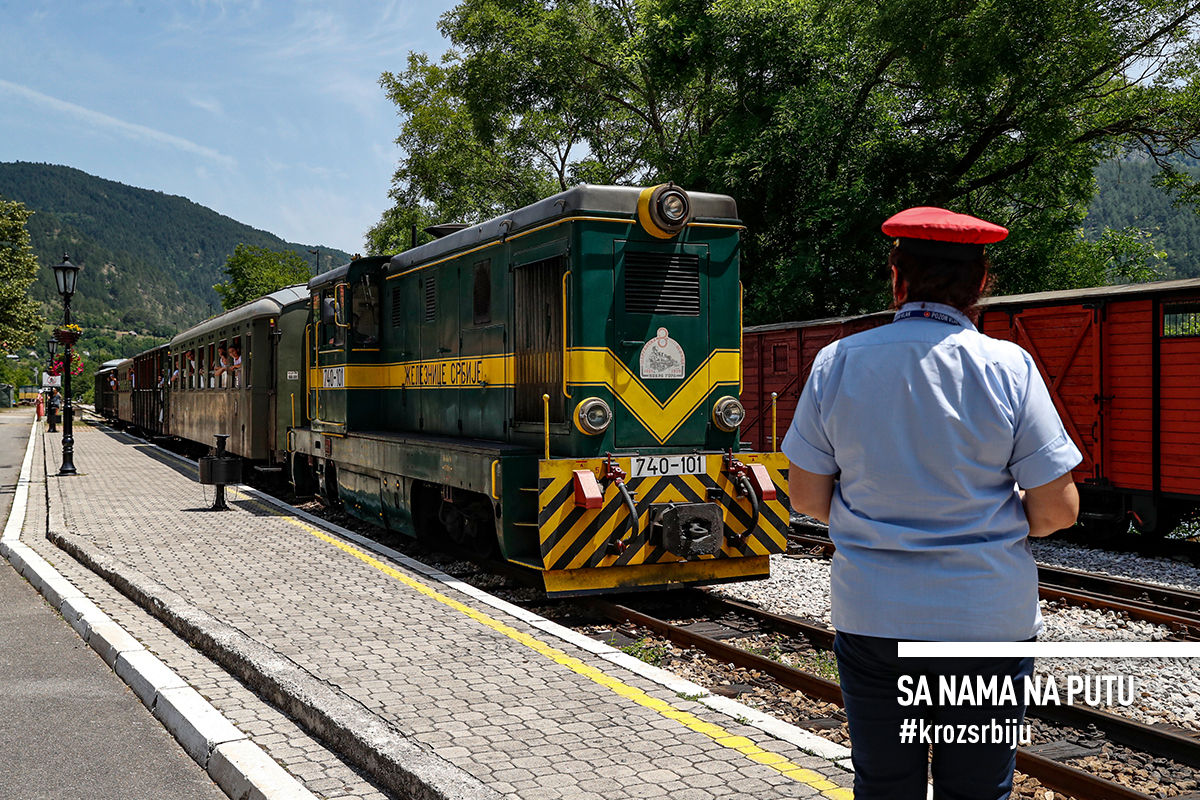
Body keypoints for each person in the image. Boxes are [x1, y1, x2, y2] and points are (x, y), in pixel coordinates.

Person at [783, 206, 1082, 800]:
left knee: (885, 786)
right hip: (984, 624)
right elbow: (1058, 511)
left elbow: (807, 495)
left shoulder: (837, 362)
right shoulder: (1009, 367)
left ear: (897, 279)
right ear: (981, 283)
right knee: (976, 792)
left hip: (873, 619)